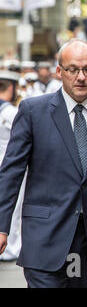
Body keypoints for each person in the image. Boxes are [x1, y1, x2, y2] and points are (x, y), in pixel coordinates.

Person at [0, 39, 87, 288]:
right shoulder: (33, 112)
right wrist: (1, 226)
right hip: (45, 240)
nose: (81, 77)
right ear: (59, 71)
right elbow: (10, 174)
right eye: (72, 69)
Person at [0, 70, 23, 262]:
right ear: (11, 88)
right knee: (13, 207)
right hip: (8, 163)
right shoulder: (10, 111)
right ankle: (10, 248)